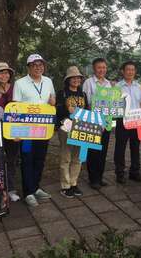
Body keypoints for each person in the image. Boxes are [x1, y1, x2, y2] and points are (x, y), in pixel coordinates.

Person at [13, 54, 56, 207]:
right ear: (28, 67)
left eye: (40, 65)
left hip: (43, 128)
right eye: (34, 65)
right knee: (27, 159)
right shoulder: (20, 83)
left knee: (40, 158)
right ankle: (28, 193)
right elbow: (15, 108)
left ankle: (36, 187)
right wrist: (16, 132)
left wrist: (53, 102)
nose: (38, 67)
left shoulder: (48, 81)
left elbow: (52, 100)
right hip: (26, 131)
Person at [56, 66, 88, 198]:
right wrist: (66, 111)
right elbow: (57, 112)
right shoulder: (62, 93)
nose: (76, 80)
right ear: (68, 80)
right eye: (73, 78)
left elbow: (87, 111)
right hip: (66, 128)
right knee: (66, 157)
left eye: (78, 78)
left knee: (78, 158)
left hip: (80, 128)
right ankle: (65, 185)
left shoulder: (83, 94)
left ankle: (74, 183)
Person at [0, 62, 20, 202]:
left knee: (12, 160)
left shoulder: (15, 88)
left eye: (6, 73)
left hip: (13, 130)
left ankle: (11, 189)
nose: (4, 75)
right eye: (1, 73)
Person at [82, 58, 112, 190]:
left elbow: (111, 102)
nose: (102, 70)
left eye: (104, 67)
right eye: (99, 67)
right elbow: (85, 102)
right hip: (93, 120)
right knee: (93, 150)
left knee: (103, 150)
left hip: (106, 121)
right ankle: (93, 178)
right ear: (94, 69)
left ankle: (100, 177)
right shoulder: (88, 83)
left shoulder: (108, 84)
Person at [114, 61, 141, 184]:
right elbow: (113, 104)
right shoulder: (117, 87)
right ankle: (120, 173)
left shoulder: (138, 86)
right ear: (123, 71)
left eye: (132, 69)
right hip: (123, 120)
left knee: (136, 147)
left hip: (137, 120)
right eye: (128, 69)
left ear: (135, 71)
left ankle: (134, 172)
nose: (130, 72)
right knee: (120, 148)